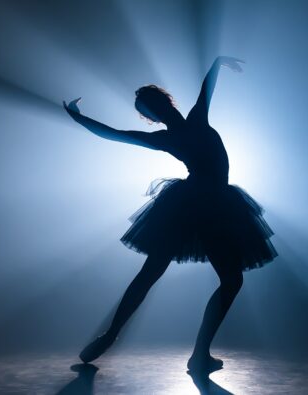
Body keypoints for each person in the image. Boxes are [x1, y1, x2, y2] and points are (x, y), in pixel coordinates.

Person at [63, 56, 277, 373]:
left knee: (160, 272)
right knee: (225, 279)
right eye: (153, 107)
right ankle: (195, 353)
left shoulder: (173, 133)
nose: (157, 110)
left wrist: (78, 118)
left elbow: (114, 133)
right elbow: (116, 132)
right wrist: (217, 64)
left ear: (156, 109)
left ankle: (115, 336)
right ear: (160, 108)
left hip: (199, 204)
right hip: (209, 204)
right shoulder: (190, 123)